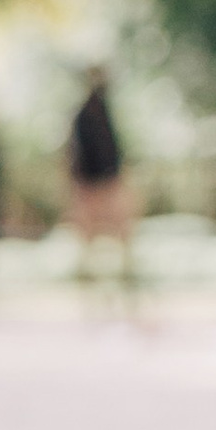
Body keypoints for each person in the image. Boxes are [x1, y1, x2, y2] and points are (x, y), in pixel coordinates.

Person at [67, 68, 135, 283]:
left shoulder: (106, 112)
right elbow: (75, 152)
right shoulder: (83, 114)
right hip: (90, 183)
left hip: (108, 181)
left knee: (122, 228)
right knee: (87, 233)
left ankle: (126, 271)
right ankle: (86, 271)